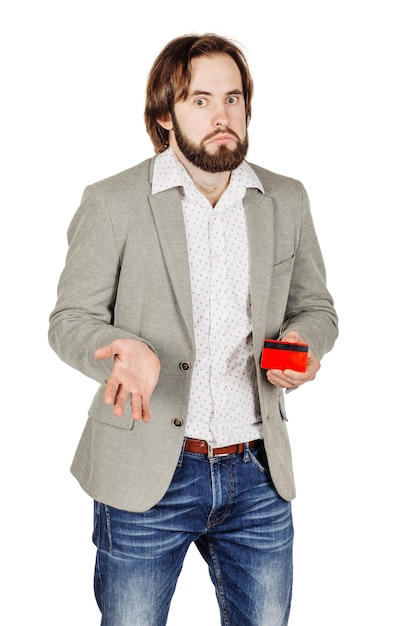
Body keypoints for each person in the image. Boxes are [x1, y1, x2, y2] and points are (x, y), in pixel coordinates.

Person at [49, 33, 338, 626]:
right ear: (165, 115)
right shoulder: (112, 202)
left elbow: (316, 308)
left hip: (258, 475)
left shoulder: (285, 199)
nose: (222, 115)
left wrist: (307, 346)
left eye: (232, 98)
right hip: (146, 475)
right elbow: (69, 321)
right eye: (200, 100)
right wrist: (119, 352)